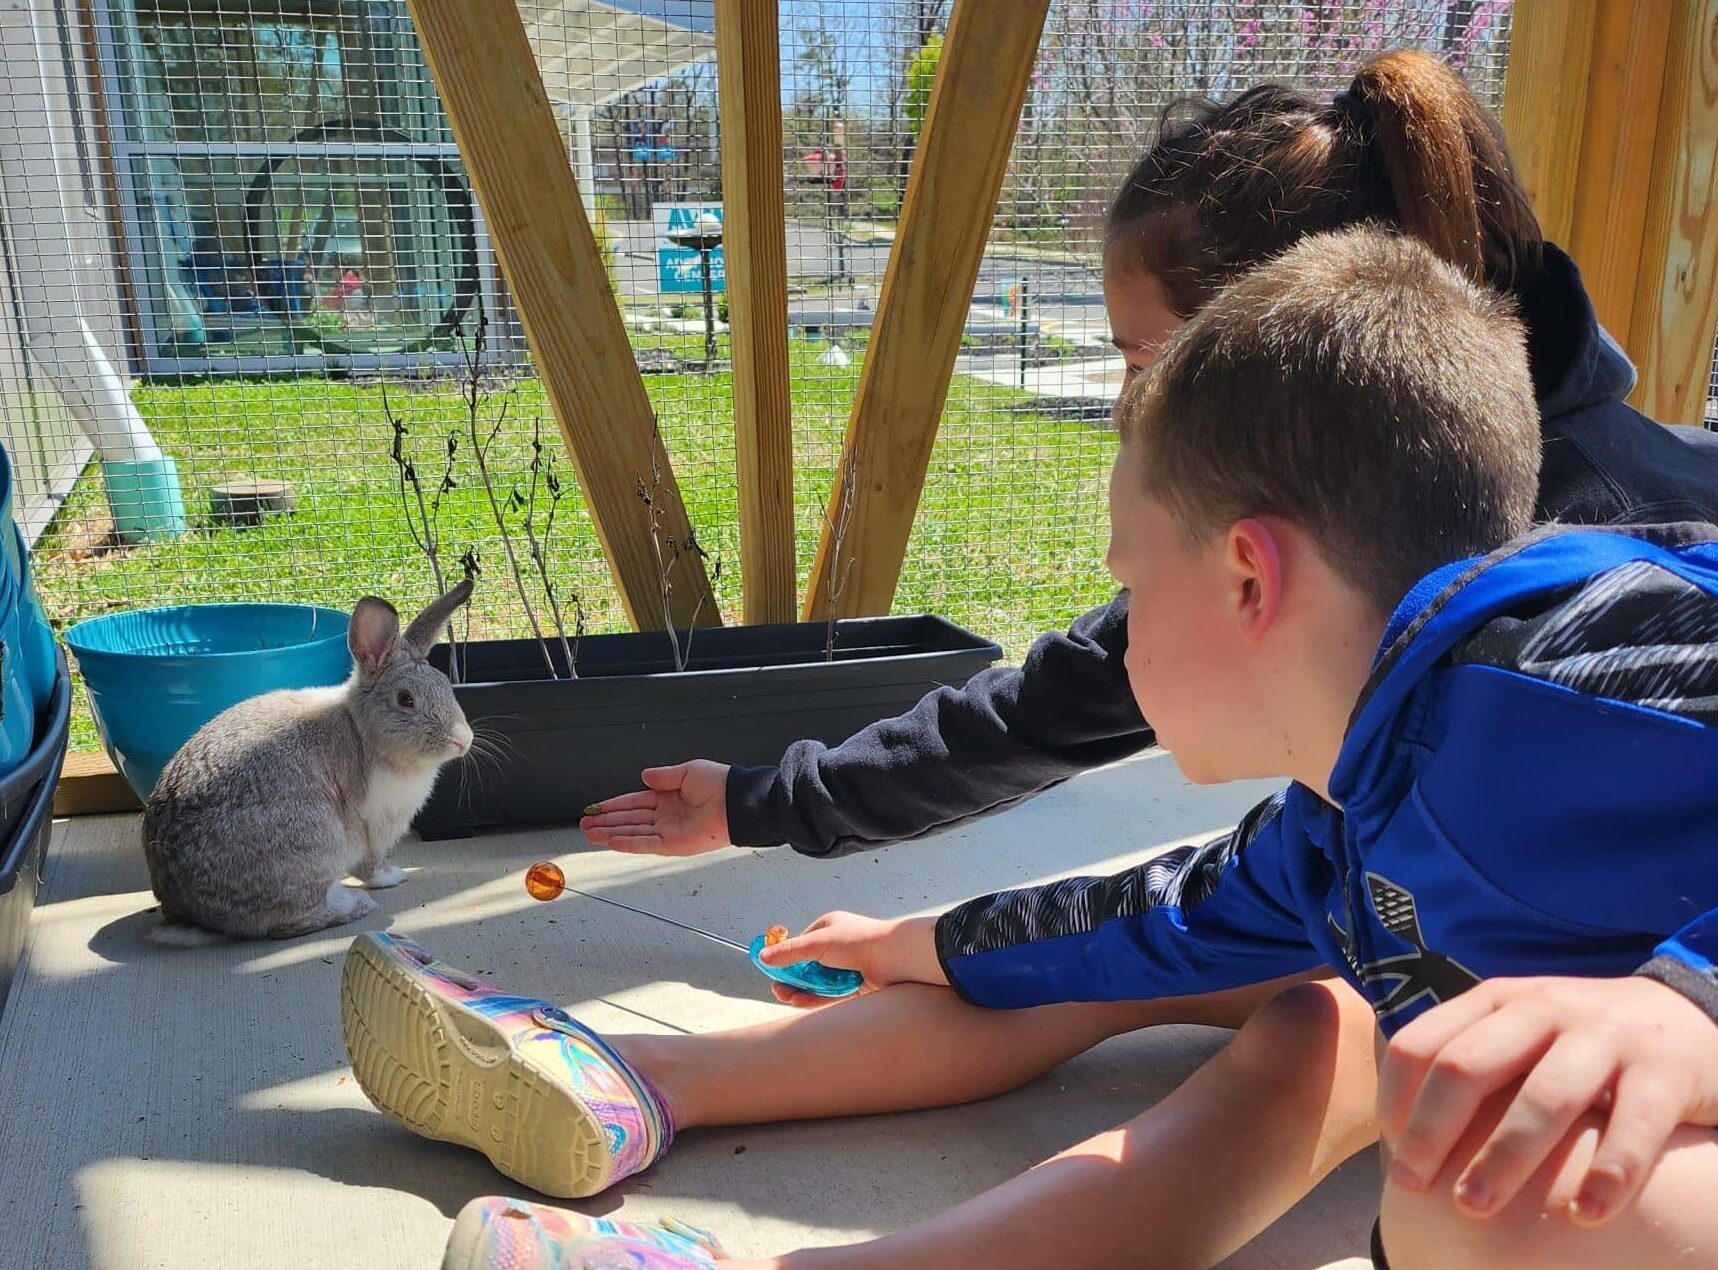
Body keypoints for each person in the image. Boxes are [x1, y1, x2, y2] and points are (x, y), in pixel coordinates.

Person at [349, 228, 1718, 1270]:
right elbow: (1148, 917)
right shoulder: (1339, 816)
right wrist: (937, 940)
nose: (1111, 635)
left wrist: (1681, 1005)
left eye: (1128, 579)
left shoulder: (1578, 675)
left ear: (1246, 578)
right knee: (1372, 1092)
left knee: (1473, 1193)